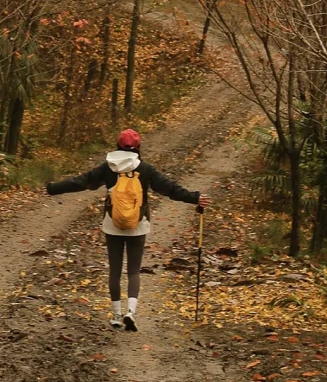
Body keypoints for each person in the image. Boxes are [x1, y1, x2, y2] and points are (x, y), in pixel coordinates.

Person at [45, 127, 209, 331]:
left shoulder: (108, 167)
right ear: (138, 147)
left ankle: (116, 315)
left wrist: (53, 188)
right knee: (133, 270)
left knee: (115, 270)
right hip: (138, 225)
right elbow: (170, 188)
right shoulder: (145, 169)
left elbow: (81, 181)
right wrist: (194, 197)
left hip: (112, 224)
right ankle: (131, 312)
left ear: (118, 145)